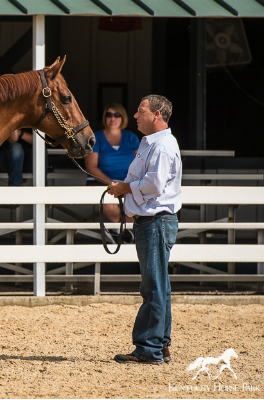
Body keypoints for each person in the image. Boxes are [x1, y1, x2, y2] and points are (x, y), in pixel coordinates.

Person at [108, 95, 182, 365]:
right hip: (154, 221)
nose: (136, 116)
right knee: (159, 284)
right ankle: (160, 344)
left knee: (152, 285)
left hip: (156, 222)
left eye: (141, 111)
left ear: (157, 115)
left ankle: (149, 348)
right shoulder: (153, 144)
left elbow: (153, 185)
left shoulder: (161, 146)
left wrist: (125, 188)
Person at [85, 103, 139, 241]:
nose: (112, 118)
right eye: (109, 114)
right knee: (108, 205)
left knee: (143, 203)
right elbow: (91, 167)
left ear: (123, 118)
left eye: (117, 115)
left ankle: (120, 230)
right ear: (104, 117)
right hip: (102, 182)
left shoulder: (131, 137)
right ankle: (126, 230)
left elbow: (141, 165)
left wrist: (126, 185)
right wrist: (113, 184)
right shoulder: (96, 137)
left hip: (128, 182)